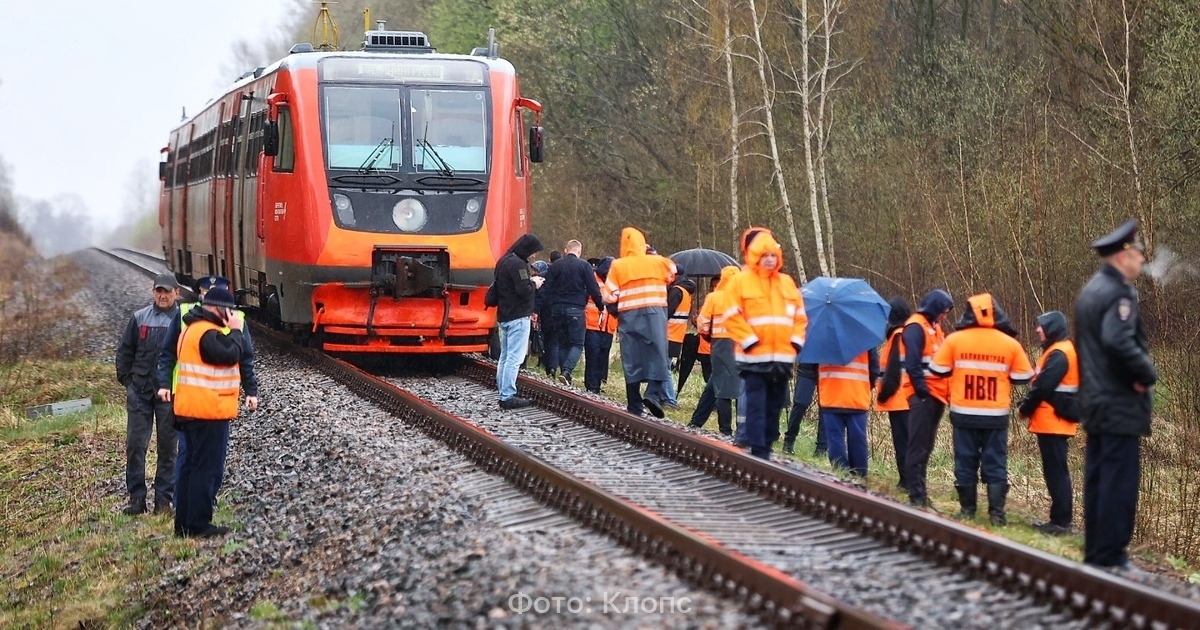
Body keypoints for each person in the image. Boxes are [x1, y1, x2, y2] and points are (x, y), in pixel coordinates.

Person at [1075, 218, 1155, 569]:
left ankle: (1097, 552)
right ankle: (1112, 555)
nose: (1142, 259)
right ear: (1124, 256)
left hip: (1094, 399)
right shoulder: (1119, 293)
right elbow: (1118, 340)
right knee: (1118, 483)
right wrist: (1145, 373)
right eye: (1139, 253)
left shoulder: (1090, 290)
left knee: (1098, 479)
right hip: (1118, 402)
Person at [929, 293, 1033, 525]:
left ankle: (967, 510)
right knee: (996, 462)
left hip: (963, 414)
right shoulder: (1009, 343)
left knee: (965, 462)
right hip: (995, 417)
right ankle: (997, 514)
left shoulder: (955, 340)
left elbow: (937, 369)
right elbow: (1023, 377)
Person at [157, 275, 258, 507]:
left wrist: (251, 390)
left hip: (201, 403)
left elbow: (246, 359)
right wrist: (164, 383)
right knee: (199, 461)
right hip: (201, 404)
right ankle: (196, 512)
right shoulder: (196, 320)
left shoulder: (218, 319)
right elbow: (168, 353)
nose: (208, 294)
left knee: (198, 460)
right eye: (205, 290)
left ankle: (189, 510)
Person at [723, 228, 807, 460]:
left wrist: (795, 343)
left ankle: (766, 447)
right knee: (757, 405)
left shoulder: (787, 283)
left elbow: (799, 317)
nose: (770, 260)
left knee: (774, 406)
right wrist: (749, 340)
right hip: (753, 359)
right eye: (765, 256)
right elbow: (731, 315)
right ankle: (760, 452)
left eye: (773, 255)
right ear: (755, 257)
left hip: (782, 358)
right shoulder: (741, 283)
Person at [115, 272, 181, 516]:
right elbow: (124, 352)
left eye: (167, 291)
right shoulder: (139, 318)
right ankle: (137, 498)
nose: (162, 295)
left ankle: (164, 500)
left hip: (169, 395)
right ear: (153, 292)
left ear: (177, 293)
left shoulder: (184, 321)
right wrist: (129, 383)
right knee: (135, 445)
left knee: (168, 447)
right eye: (158, 291)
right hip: (140, 392)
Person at [1017, 310, 1080, 535]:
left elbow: (1043, 387)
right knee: (1056, 471)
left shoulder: (1059, 353)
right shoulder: (1059, 351)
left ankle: (1061, 522)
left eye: (1041, 326)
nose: (1037, 329)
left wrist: (1025, 408)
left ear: (1053, 328)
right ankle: (1059, 519)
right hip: (1054, 421)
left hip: (1054, 421)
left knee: (1056, 473)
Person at [604, 227, 676, 417]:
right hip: (655, 313)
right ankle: (653, 394)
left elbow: (609, 296)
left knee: (632, 358)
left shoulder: (618, 266)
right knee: (659, 352)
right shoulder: (659, 262)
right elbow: (674, 272)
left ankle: (634, 405)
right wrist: (653, 256)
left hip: (629, 315)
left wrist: (618, 314)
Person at [901, 289, 954, 508]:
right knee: (918, 446)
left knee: (926, 446)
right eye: (944, 311)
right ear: (934, 308)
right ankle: (916, 495)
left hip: (935, 396)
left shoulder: (934, 329)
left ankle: (920, 493)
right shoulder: (915, 327)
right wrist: (922, 392)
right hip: (924, 396)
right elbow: (913, 364)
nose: (945, 316)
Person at [542, 240, 605, 386]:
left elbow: (547, 288)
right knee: (577, 343)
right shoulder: (584, 266)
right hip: (575, 309)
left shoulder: (556, 265)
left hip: (556, 309)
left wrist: (540, 309)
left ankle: (565, 377)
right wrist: (601, 306)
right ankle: (567, 371)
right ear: (579, 251)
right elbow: (593, 288)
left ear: (566, 250)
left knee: (563, 343)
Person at [494, 233, 545, 409]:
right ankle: (507, 396)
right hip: (518, 316)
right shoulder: (519, 265)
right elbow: (523, 290)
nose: (534, 256)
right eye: (534, 252)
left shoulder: (504, 261)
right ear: (528, 249)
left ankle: (502, 391)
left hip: (504, 316)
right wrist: (534, 284)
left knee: (505, 356)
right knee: (514, 358)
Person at [688, 265, 740, 435]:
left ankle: (725, 430)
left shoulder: (714, 298)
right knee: (737, 388)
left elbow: (702, 324)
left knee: (721, 387)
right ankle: (742, 430)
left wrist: (707, 332)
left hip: (720, 347)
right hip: (742, 347)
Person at [818, 348, 879, 477]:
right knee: (858, 439)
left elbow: (813, 370)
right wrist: (865, 387)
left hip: (831, 396)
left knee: (835, 439)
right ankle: (860, 475)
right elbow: (874, 370)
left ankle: (843, 473)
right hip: (856, 396)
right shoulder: (864, 338)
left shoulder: (823, 338)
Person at [875, 296, 914, 488]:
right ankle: (908, 479)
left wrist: (884, 394)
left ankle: (906, 481)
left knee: (902, 443)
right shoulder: (906, 334)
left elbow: (893, 371)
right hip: (907, 399)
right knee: (907, 442)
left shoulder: (898, 336)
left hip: (899, 399)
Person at [584, 257, 618, 394]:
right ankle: (591, 385)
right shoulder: (592, 279)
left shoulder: (615, 283)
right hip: (592, 324)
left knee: (603, 357)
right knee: (592, 355)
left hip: (608, 326)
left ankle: (596, 385)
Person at [782, 363, 820, 456]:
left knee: (826, 409)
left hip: (828, 369)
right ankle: (789, 441)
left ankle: (821, 449)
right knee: (800, 404)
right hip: (807, 367)